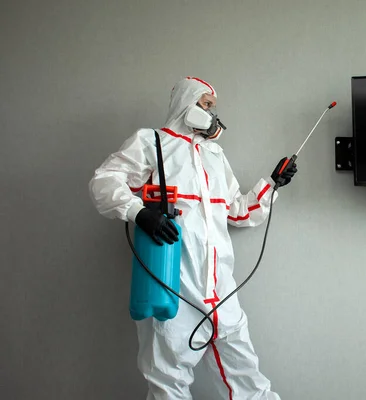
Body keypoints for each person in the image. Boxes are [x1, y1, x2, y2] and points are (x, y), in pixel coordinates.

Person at [89, 76, 296, 400]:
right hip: (172, 285)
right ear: (186, 101)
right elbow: (103, 183)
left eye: (214, 107)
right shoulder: (150, 143)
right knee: (168, 384)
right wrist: (139, 212)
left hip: (221, 290)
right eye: (206, 105)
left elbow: (237, 212)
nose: (212, 114)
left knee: (249, 382)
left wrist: (272, 184)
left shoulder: (214, 156)